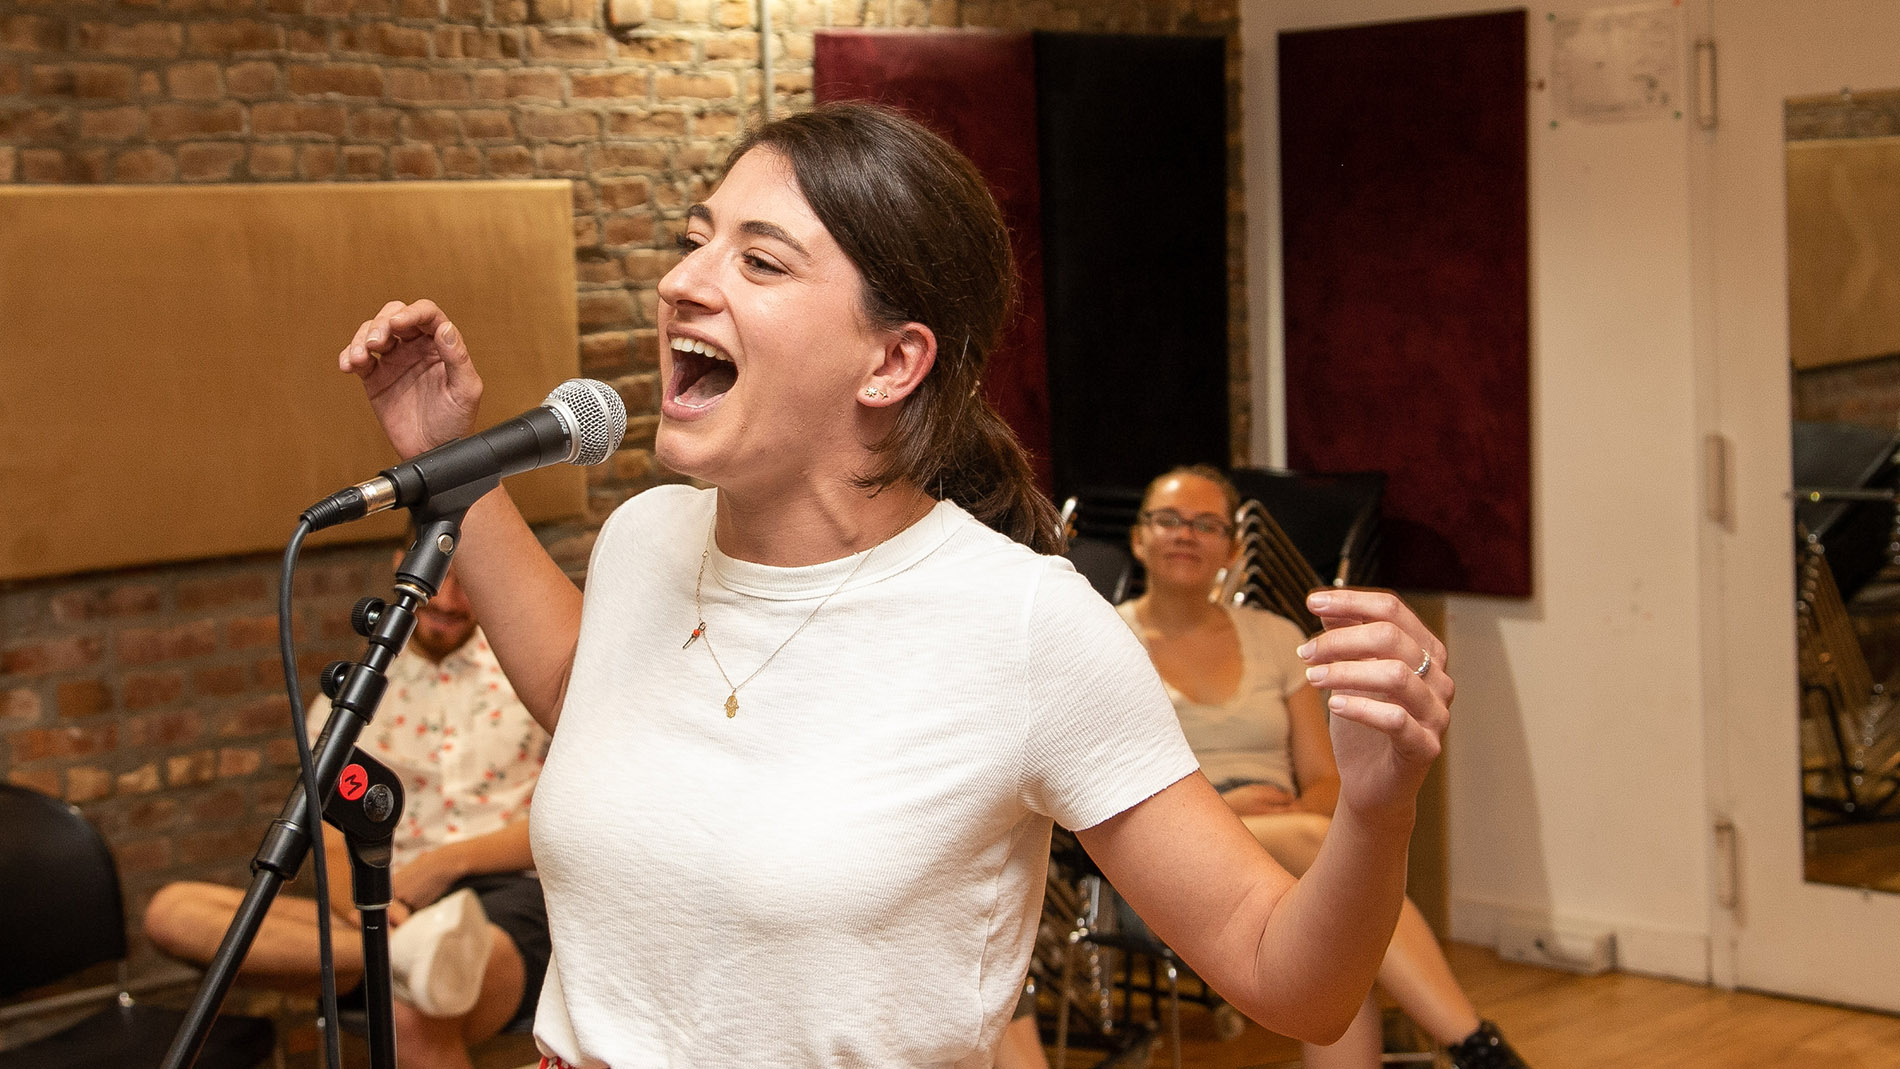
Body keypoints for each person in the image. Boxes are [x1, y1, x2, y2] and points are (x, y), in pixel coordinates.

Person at [334, 102, 1454, 1067]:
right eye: (694, 240)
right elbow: (594, 700)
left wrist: (1375, 804)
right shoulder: (644, 540)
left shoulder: (1022, 623)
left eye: (757, 261)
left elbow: (1285, 972)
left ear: (892, 362)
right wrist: (448, 455)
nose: (680, 282)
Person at [143, 556, 552, 1069]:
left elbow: (575, 816)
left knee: (408, 1019)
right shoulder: (351, 697)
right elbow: (332, 841)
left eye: (468, 585)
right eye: (440, 580)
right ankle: (399, 956)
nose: (448, 602)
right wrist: (356, 908)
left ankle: (406, 959)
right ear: (406, 567)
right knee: (171, 910)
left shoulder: (535, 676)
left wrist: (449, 862)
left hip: (507, 895)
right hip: (382, 903)